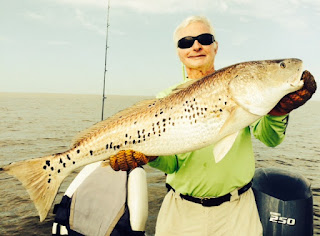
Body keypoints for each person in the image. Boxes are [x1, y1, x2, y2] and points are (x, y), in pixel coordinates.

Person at [109, 16, 316, 236]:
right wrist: (150, 155)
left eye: (204, 39)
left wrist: (279, 112)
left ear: (215, 47)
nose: (196, 46)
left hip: (238, 212)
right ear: (178, 52)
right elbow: (172, 165)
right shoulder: (163, 100)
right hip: (182, 214)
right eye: (186, 42)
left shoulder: (243, 88)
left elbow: (271, 139)